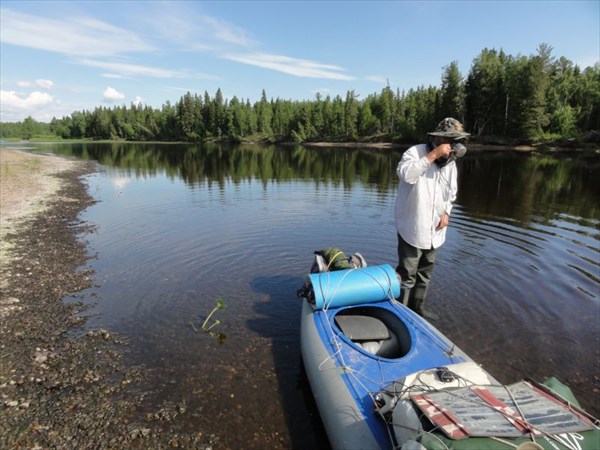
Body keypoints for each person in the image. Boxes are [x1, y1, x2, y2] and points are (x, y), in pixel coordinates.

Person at [394, 118, 469, 319]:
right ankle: (399, 314)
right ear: (438, 138)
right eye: (451, 140)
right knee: (407, 275)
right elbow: (405, 175)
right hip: (413, 226)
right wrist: (433, 155)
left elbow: (451, 192)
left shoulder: (451, 163)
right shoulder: (415, 152)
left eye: (457, 140)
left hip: (436, 229)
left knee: (425, 274)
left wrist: (447, 212)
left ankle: (416, 310)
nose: (455, 145)